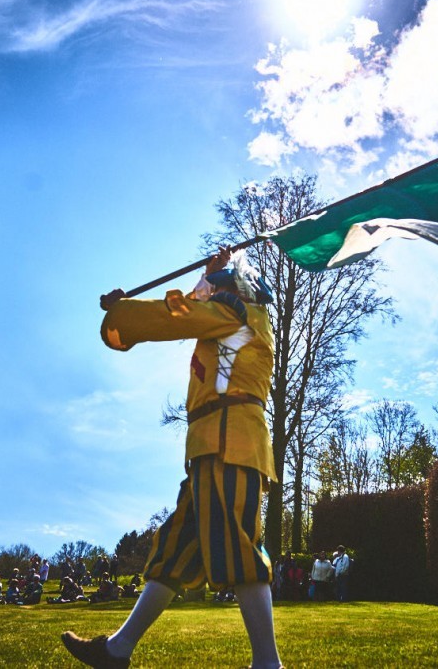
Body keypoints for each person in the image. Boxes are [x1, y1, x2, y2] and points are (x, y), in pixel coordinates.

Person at [62, 248, 282, 669]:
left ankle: (268, 664)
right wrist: (210, 275)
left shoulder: (234, 314)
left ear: (230, 290)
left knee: (238, 548)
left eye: (215, 284)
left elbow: (175, 316)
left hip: (227, 443)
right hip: (213, 446)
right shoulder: (236, 314)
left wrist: (123, 312)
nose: (208, 289)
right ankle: (117, 649)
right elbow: (194, 308)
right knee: (175, 550)